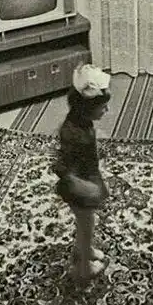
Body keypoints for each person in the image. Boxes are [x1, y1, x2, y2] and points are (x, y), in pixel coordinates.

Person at [53, 63, 111, 282]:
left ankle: (83, 249)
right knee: (86, 227)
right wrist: (87, 188)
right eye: (103, 107)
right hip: (78, 186)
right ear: (87, 108)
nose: (106, 111)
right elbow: (64, 166)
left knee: (86, 223)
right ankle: (84, 268)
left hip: (85, 178)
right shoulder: (76, 135)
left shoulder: (80, 122)